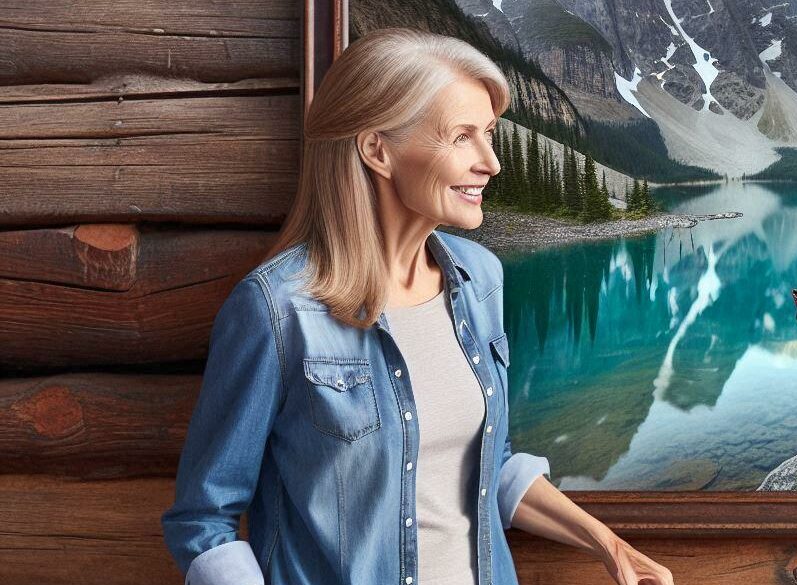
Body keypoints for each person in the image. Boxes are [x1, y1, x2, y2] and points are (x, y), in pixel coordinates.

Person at [160, 28, 672, 585]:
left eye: (490, 134)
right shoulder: (276, 310)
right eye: (461, 137)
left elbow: (486, 466)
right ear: (377, 149)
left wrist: (610, 546)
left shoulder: (482, 280)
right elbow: (203, 519)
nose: (491, 163)